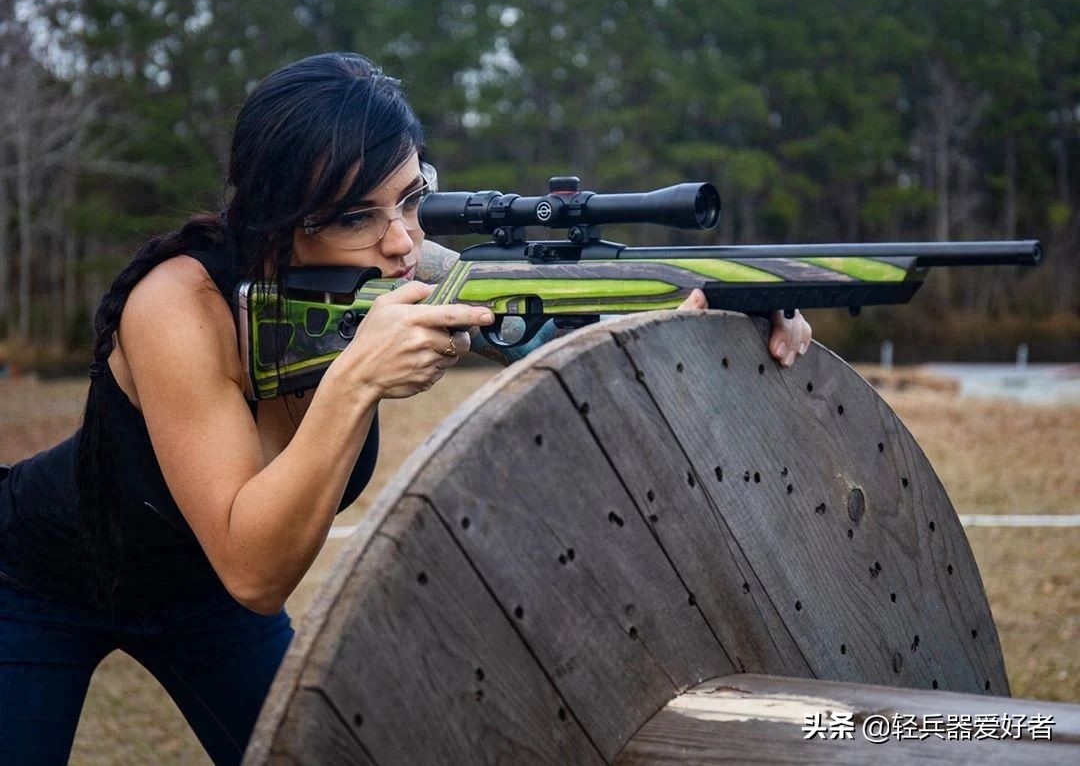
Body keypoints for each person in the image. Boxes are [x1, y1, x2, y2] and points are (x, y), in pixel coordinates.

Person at [0, 53, 813, 764]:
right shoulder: (178, 306)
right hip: (36, 584)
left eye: (412, 198)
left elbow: (577, 318)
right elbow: (253, 572)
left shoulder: (400, 259)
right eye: (357, 215)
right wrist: (355, 383)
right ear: (278, 219)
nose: (401, 243)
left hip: (199, 603)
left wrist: (729, 312)